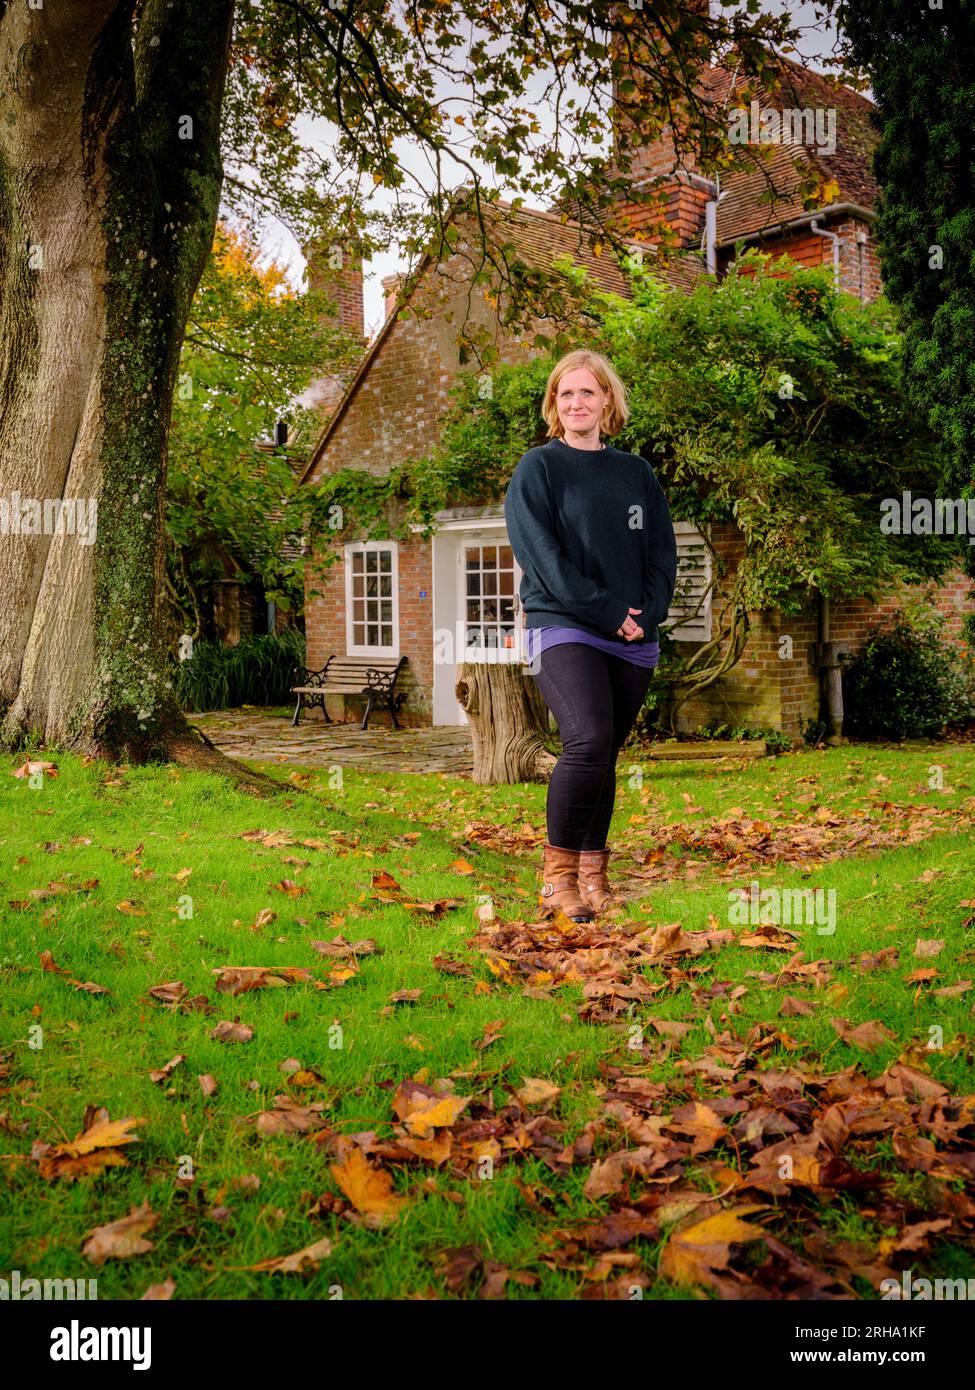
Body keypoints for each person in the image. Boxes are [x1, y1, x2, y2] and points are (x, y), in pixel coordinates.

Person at [503, 349, 677, 923]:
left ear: (608, 400)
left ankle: (593, 874)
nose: (576, 403)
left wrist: (646, 615)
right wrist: (609, 612)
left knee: (605, 754)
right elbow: (543, 559)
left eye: (587, 392)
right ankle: (557, 881)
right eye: (565, 394)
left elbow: (661, 554)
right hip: (564, 624)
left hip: (633, 636)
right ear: (554, 404)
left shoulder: (636, 474)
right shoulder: (539, 468)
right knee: (586, 740)